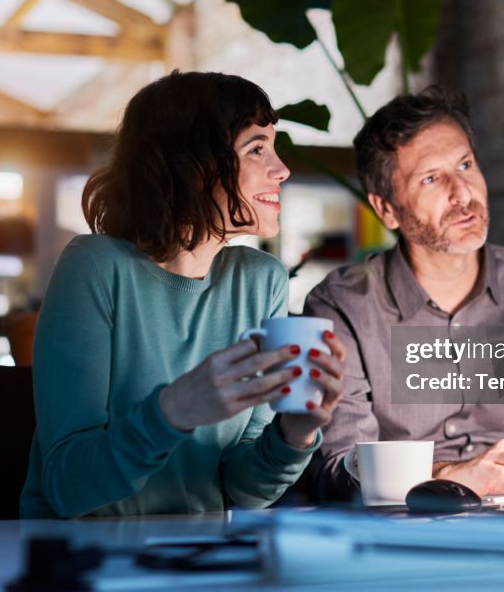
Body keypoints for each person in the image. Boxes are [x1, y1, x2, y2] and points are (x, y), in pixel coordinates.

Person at [20, 71, 345, 518]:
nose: (282, 169)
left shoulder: (261, 280)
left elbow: (246, 489)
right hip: (85, 561)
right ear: (194, 165)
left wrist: (296, 433)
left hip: (197, 558)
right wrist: (173, 410)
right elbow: (66, 487)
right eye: (257, 149)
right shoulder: (96, 265)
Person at [304, 87, 504, 500]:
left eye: (465, 165)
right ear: (386, 208)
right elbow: (337, 469)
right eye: (431, 178)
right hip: (407, 531)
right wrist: (458, 475)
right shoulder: (341, 307)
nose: (463, 194)